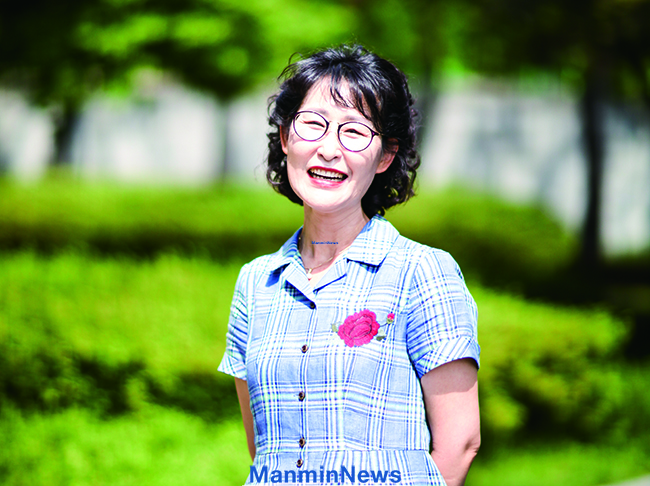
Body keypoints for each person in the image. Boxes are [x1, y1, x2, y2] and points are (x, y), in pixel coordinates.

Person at [219, 45, 480, 486]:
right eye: (312, 124)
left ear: (386, 155)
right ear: (285, 138)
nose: (329, 149)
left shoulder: (422, 272)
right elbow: (262, 448)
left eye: (354, 131)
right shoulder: (255, 282)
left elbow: (460, 443)